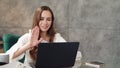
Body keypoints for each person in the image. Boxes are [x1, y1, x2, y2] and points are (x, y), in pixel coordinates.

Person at [6, 6, 82, 68]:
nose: (45, 23)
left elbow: (73, 55)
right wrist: (28, 45)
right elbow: (7, 58)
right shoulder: (28, 37)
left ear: (52, 22)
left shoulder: (56, 38)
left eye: (48, 19)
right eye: (41, 19)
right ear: (36, 20)